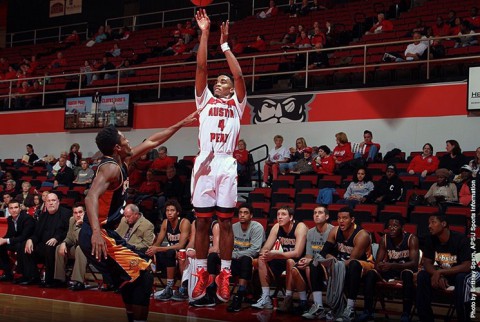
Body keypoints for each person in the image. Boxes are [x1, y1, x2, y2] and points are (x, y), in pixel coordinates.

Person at [78, 110, 197, 322]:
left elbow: (152, 140)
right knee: (144, 273)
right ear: (117, 148)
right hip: (97, 234)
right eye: (124, 139)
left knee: (130, 280)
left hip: (105, 233)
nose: (129, 140)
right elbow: (90, 198)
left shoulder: (125, 159)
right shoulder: (111, 169)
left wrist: (181, 123)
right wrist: (96, 232)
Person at [190, 9, 247, 306]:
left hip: (226, 162)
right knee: (201, 223)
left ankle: (224, 274)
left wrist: (225, 46)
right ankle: (201, 272)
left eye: (224, 81)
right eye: (219, 80)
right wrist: (204, 33)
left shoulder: (238, 104)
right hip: (204, 163)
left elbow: (238, 74)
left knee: (225, 224)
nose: (220, 82)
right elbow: (201, 68)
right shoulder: (205, 100)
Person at [357, 215, 419, 322]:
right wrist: (381, 266)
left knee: (407, 274)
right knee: (371, 273)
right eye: (390, 226)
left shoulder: (411, 239)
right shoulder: (384, 239)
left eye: (395, 226)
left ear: (403, 228)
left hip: (404, 269)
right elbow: (377, 263)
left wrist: (392, 265)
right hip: (390, 269)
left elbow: (414, 263)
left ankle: (405, 313)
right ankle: (368, 311)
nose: (392, 228)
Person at [318, 207, 374, 321]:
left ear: (352, 219)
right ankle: (319, 306)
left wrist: (335, 264)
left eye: (344, 218)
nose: (341, 221)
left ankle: (350, 308)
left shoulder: (361, 235)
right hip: (343, 263)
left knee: (352, 265)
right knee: (315, 264)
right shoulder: (335, 230)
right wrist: (330, 257)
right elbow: (324, 251)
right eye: (339, 218)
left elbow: (352, 259)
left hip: (365, 265)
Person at [279, 206, 333, 318]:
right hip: (313, 264)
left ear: (327, 216)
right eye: (315, 213)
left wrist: (310, 261)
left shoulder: (333, 231)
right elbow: (308, 254)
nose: (317, 215)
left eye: (320, 213)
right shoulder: (310, 232)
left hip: (328, 266)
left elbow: (330, 255)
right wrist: (305, 260)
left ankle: (318, 305)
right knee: (295, 268)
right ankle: (304, 303)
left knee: (310, 266)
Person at [416, 214, 472, 322]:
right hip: (445, 274)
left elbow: (466, 266)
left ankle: (464, 319)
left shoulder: (460, 239)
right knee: (422, 276)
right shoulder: (430, 239)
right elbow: (426, 262)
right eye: (429, 223)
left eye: (433, 222)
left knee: (462, 278)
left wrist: (440, 272)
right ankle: (426, 319)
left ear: (443, 224)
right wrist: (437, 274)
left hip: (465, 274)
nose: (429, 226)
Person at [252, 206, 308, 310]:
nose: (280, 217)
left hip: (300, 260)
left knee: (290, 261)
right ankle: (266, 297)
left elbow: (297, 253)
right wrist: (265, 253)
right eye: (278, 214)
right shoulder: (277, 227)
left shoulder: (300, 227)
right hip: (283, 257)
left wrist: (276, 254)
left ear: (291, 217)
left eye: (283, 214)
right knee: (261, 259)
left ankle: (288, 297)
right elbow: (266, 247)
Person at [16, 193, 70, 287]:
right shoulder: (43, 215)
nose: (51, 203)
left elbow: (68, 231)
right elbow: (37, 234)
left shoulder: (66, 213)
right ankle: (32, 277)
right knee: (24, 244)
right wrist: (30, 240)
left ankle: (51, 280)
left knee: (50, 246)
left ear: (58, 202)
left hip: (59, 244)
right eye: (48, 201)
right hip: (43, 245)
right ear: (45, 203)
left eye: (53, 201)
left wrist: (57, 238)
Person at [147, 200, 190, 301]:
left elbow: (181, 245)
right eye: (167, 210)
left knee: (173, 253)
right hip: (172, 252)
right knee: (148, 253)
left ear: (178, 212)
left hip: (186, 252)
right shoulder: (165, 222)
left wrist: (159, 248)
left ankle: (184, 287)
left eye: (172, 210)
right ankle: (166, 288)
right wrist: (152, 249)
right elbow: (158, 242)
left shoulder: (184, 222)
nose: (169, 213)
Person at [227, 203, 265, 312]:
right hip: (235, 259)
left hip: (251, 260)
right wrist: (232, 255)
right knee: (214, 257)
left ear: (251, 215)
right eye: (240, 213)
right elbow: (228, 247)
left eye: (245, 213)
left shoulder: (257, 227)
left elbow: (255, 250)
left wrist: (234, 255)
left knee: (246, 259)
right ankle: (212, 291)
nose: (242, 215)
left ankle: (240, 294)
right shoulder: (233, 227)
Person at [54, 204, 89, 291]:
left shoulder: (89, 221)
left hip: (89, 250)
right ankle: (60, 279)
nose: (78, 215)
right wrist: (64, 243)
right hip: (77, 248)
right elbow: (70, 237)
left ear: (85, 213)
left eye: (80, 212)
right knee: (59, 248)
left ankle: (78, 281)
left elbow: (81, 240)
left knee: (80, 249)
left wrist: (78, 225)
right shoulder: (72, 220)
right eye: (75, 213)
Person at [0, 200, 35, 282]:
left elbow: (24, 236)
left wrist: (6, 240)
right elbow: (9, 234)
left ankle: (25, 275)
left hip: (29, 241)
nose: (13, 210)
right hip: (17, 241)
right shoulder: (9, 219)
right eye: (11, 208)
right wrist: (2, 239)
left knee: (20, 246)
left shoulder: (27, 218)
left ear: (20, 209)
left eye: (16, 207)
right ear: (8, 210)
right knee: (1, 246)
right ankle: (8, 273)